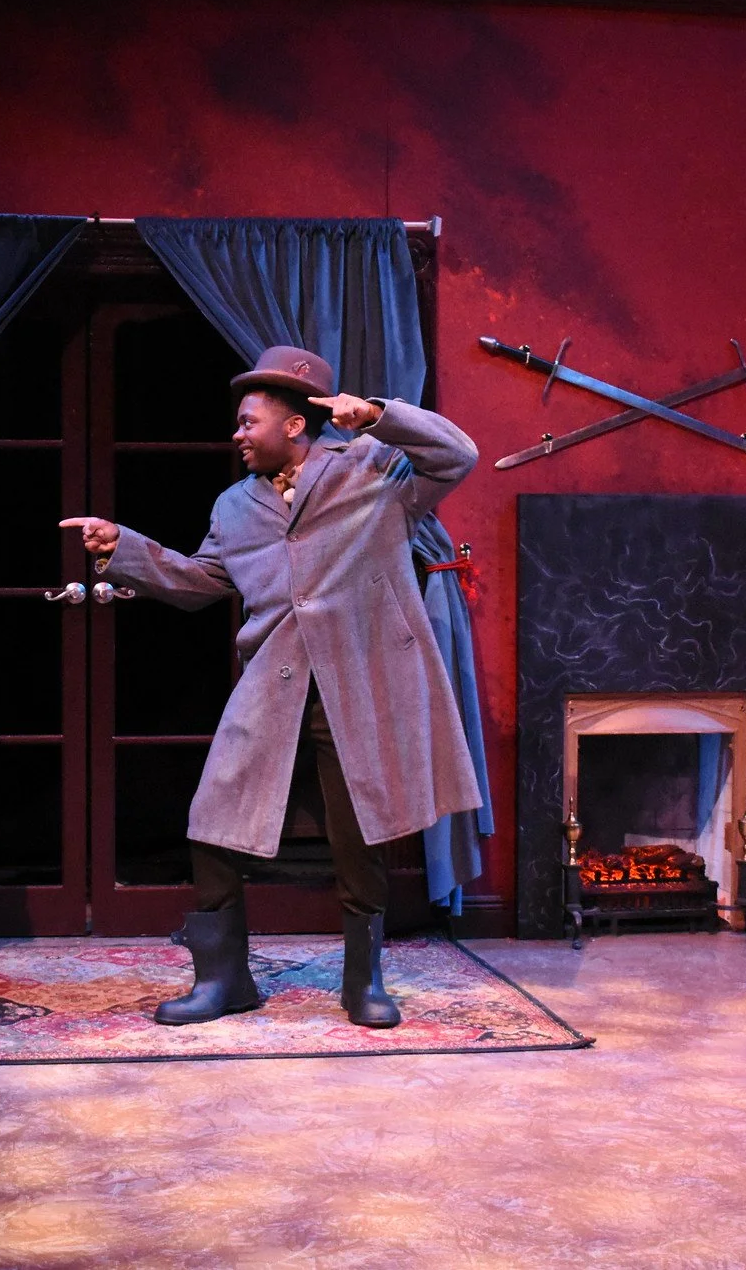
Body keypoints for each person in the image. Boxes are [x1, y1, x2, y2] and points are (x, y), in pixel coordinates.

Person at [60, 345, 481, 1029]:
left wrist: (377, 415)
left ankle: (363, 982)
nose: (236, 433)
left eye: (247, 420)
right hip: (275, 683)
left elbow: (457, 454)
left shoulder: (371, 470)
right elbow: (202, 581)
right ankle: (224, 979)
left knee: (358, 837)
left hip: (359, 681)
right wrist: (124, 548)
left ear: (293, 425)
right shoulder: (234, 506)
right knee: (214, 821)